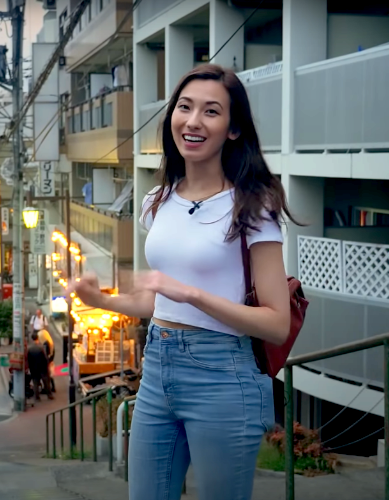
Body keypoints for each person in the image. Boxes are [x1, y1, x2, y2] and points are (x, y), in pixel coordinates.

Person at [71, 64, 296, 500]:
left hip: (222, 374)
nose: (193, 121)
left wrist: (192, 294)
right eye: (185, 107)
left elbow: (275, 323)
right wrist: (98, 299)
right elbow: (154, 303)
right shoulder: (159, 200)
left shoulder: (253, 205)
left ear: (233, 129)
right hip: (157, 366)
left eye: (211, 112)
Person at [26, 333, 53, 401]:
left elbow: (28, 359)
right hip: (42, 368)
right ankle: (49, 395)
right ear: (37, 338)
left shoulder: (29, 348)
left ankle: (37, 397)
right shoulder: (41, 347)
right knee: (46, 381)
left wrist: (29, 367)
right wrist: (47, 365)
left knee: (35, 382)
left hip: (33, 368)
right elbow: (45, 358)